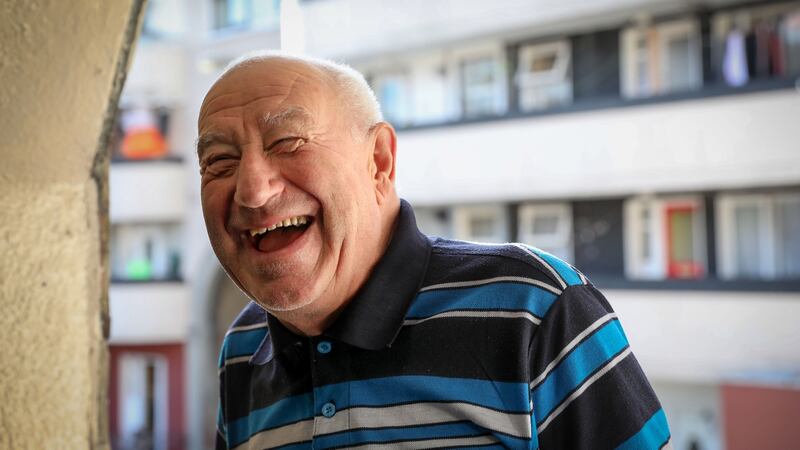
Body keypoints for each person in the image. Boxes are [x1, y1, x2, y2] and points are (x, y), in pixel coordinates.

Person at [198, 51, 671, 450]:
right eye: (219, 161)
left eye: (287, 141)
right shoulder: (241, 353)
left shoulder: (536, 309)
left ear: (378, 162)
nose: (252, 191)